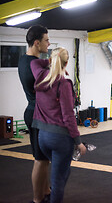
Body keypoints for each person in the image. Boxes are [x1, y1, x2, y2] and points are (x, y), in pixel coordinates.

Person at [30, 47, 87, 203]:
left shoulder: (41, 76)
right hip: (60, 139)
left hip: (43, 137)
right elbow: (68, 116)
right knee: (58, 181)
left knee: (62, 172)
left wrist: (52, 61)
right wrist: (78, 142)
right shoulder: (64, 83)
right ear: (67, 62)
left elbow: (35, 62)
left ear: (50, 60)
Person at [18, 25, 51, 203]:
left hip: (35, 113)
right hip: (37, 115)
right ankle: (38, 199)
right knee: (40, 159)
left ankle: (46, 190)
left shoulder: (24, 60)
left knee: (44, 159)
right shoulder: (34, 64)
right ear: (37, 43)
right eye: (46, 40)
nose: (49, 43)